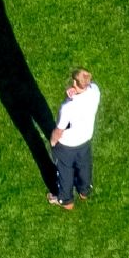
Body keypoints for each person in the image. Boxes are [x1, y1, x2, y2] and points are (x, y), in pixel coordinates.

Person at [48, 69, 101, 209]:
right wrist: (74, 94)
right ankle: (84, 191)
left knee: (65, 172)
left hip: (67, 145)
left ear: (74, 82)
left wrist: (53, 142)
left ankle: (66, 201)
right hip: (85, 140)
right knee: (84, 166)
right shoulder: (95, 91)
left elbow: (59, 130)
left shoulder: (68, 107)